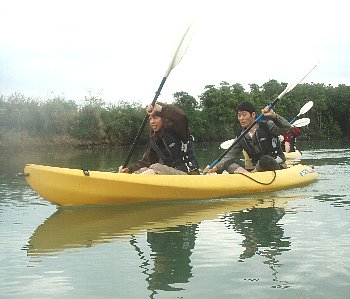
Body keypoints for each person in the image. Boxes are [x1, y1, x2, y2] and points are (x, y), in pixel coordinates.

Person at [205, 101, 292, 174]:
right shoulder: (241, 136)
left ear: (253, 115)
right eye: (239, 115)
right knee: (227, 163)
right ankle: (250, 176)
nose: (241, 118)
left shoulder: (267, 125)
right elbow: (229, 155)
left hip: (274, 164)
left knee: (265, 159)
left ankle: (251, 175)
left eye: (244, 115)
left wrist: (274, 116)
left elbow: (287, 128)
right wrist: (214, 168)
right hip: (254, 168)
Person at [118, 102, 200, 175]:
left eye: (155, 118)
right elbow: (147, 162)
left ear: (164, 119)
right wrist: (128, 169)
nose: (152, 122)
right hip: (172, 175)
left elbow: (181, 117)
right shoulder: (154, 138)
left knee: (156, 167)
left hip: (189, 174)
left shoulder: (178, 130)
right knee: (144, 169)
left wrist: (162, 109)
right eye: (150, 118)